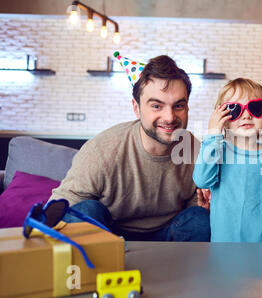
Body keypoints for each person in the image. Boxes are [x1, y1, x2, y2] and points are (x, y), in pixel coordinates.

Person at [48, 55, 210, 242]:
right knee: (84, 211)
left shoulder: (195, 150)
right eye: (156, 106)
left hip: (168, 236)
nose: (169, 117)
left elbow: (194, 210)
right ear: (136, 107)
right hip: (108, 236)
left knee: (200, 220)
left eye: (178, 106)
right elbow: (61, 206)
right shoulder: (102, 149)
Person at [193, 78, 262, 242]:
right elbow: (202, 179)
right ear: (223, 120)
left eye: (255, 108)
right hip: (223, 248)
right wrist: (213, 135)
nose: (246, 115)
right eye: (234, 110)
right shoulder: (217, 155)